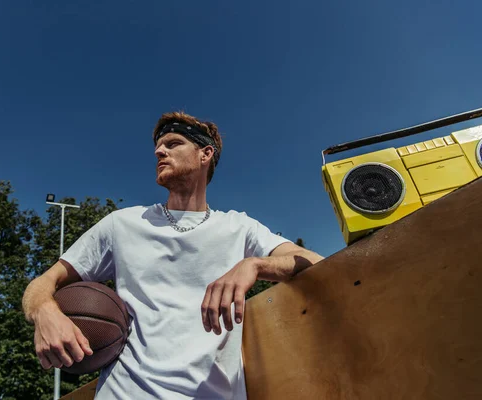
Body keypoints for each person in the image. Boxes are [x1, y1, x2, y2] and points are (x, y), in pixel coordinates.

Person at [22, 111, 324, 399]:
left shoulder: (238, 227)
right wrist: (45, 312)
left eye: (173, 144)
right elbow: (43, 283)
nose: (158, 152)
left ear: (205, 155)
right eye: (157, 146)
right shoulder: (122, 224)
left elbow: (315, 262)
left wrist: (256, 265)